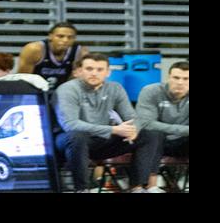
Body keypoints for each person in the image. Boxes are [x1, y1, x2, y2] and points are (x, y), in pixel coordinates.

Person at [55, 53, 151, 192]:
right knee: (77, 136)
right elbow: (70, 124)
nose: (94, 73)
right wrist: (113, 130)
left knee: (148, 134)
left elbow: (131, 117)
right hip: (68, 141)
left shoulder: (115, 88)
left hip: (102, 140)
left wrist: (134, 129)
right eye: (89, 69)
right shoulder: (68, 89)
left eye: (99, 69)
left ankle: (137, 187)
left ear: (108, 72)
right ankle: (82, 189)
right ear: (80, 71)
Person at [132, 60, 188, 192]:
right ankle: (150, 186)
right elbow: (146, 123)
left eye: (186, 79)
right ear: (168, 78)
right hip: (154, 142)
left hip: (181, 142)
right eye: (176, 77)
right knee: (153, 133)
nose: (180, 82)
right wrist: (184, 130)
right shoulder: (151, 91)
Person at [17, 22, 87, 89]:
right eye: (60, 36)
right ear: (50, 36)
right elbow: (23, 79)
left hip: (62, 92)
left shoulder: (80, 52)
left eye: (70, 37)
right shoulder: (35, 49)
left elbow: (75, 81)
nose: (65, 40)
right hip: (34, 91)